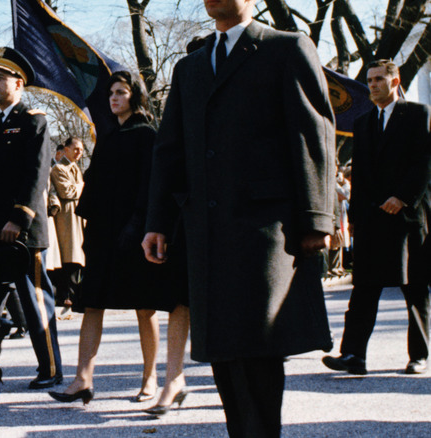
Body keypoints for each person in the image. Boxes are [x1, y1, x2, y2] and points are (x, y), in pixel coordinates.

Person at [142, 1, 336, 436]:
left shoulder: (286, 48)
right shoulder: (190, 67)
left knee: (259, 347)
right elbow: (170, 150)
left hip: (267, 230)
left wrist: (316, 220)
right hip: (207, 231)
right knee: (223, 351)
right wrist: (157, 221)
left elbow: (313, 133)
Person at [48, 71, 188, 409]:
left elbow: (151, 184)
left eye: (121, 92)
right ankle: (82, 379)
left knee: (144, 305)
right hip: (103, 232)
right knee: (91, 303)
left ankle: (150, 378)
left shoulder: (147, 135)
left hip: (135, 231)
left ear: (135, 97)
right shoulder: (109, 135)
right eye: (111, 92)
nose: (114, 98)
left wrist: (139, 223)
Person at [322, 59, 431, 376]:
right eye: (369, 80)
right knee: (364, 289)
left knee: (415, 287)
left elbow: (424, 164)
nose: (372, 85)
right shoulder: (364, 122)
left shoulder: (418, 115)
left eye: (379, 79)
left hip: (408, 217)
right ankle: (353, 355)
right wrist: (354, 217)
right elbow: (363, 176)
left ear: (395, 82)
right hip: (372, 219)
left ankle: (418, 355)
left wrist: (404, 197)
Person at [0, 46, 63, 389]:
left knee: (35, 302)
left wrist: (19, 219)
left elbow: (36, 174)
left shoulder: (34, 120)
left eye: (2, 77)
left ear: (19, 83)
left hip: (22, 231)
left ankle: (51, 369)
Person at [50, 137, 85, 308]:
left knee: (76, 257)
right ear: (66, 149)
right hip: (66, 218)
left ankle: (74, 295)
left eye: (81, 150)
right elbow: (67, 191)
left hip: (76, 216)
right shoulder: (59, 168)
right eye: (75, 149)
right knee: (68, 257)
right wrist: (82, 186)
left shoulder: (75, 168)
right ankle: (65, 295)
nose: (78, 153)